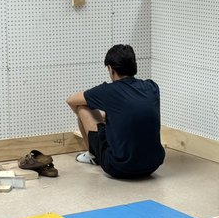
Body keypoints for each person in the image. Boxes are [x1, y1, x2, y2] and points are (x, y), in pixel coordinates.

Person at [66, 44, 165, 179]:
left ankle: (93, 155)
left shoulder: (108, 91)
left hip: (119, 167)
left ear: (111, 69)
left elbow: (71, 100)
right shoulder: (152, 87)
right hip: (152, 165)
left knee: (82, 108)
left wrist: (83, 120)